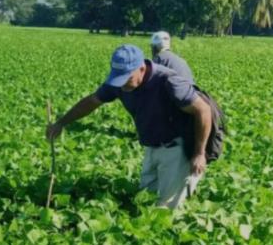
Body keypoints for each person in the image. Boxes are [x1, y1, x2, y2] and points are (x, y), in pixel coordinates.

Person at [46, 45, 212, 208]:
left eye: (127, 78)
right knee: (145, 199)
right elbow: (92, 101)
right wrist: (61, 122)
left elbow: (203, 110)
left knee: (166, 208)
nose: (122, 84)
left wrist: (199, 153)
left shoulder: (169, 82)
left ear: (141, 68)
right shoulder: (118, 82)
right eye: (119, 78)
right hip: (151, 147)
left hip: (176, 148)